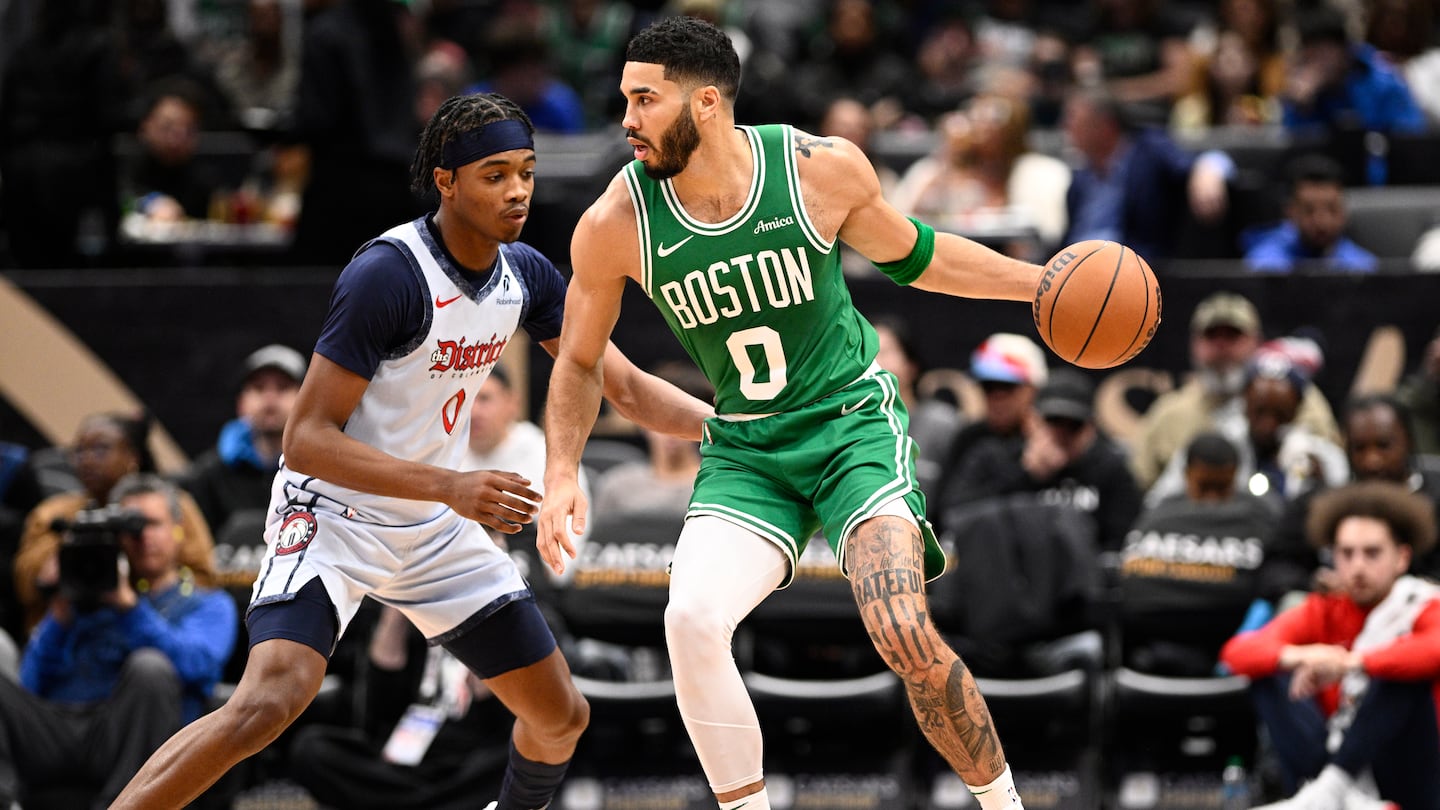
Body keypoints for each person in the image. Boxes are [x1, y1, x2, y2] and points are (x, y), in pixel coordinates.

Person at [109, 92, 711, 810]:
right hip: (334, 514)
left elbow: (630, 388)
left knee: (560, 716)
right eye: (494, 174)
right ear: (446, 181)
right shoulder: (388, 274)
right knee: (268, 704)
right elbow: (305, 441)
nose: (518, 189)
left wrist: (736, 431)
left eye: (526, 170)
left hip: (427, 525)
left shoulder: (527, 275)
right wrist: (450, 487)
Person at [537, 17, 1052, 810]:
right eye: (624, 100)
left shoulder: (816, 169)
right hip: (748, 448)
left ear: (705, 103)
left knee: (902, 628)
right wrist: (563, 470)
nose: (628, 120)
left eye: (645, 99)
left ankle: (1004, 804)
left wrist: (1037, 285)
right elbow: (577, 360)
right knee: (691, 618)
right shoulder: (618, 221)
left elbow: (920, 256)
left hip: (848, 424)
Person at [0, 474, 236, 808]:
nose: (142, 539)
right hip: (62, 731)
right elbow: (30, 684)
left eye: (151, 525)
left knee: (150, 668)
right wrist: (61, 614)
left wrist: (130, 608)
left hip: (132, 741)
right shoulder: (85, 598)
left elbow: (197, 667)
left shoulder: (208, 603)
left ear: (178, 530)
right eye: (131, 529)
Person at [1222, 481, 1440, 810]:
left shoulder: (1421, 601)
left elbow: (1432, 650)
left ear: (1402, 557)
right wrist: (1300, 655)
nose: (1358, 567)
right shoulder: (1325, 608)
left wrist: (1351, 663)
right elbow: (1237, 653)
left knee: (1398, 669)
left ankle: (1332, 787)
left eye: (1372, 553)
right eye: (1346, 553)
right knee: (1268, 672)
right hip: (1326, 761)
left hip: (1409, 775)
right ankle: (1323, 792)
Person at [15, 412, 217, 636]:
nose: (88, 459)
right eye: (79, 451)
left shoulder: (172, 505)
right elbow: (25, 588)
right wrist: (67, 552)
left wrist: (150, 587)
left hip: (157, 627)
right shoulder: (52, 514)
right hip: (73, 629)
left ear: (132, 457)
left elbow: (204, 578)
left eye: (101, 449)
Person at [1129, 291, 1340, 491]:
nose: (1222, 346)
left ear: (1257, 341)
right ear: (1194, 344)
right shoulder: (1169, 413)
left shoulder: (1299, 399)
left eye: (1233, 335)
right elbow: (1142, 486)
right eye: (1211, 335)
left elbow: (1332, 465)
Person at [1119, 430, 1280, 676]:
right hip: (1153, 649)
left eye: (1222, 488)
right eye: (1204, 487)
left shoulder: (1260, 515)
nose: (1212, 500)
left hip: (1233, 653)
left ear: (1235, 477)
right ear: (1186, 475)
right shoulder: (1160, 513)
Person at [943, 368, 1142, 551]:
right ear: (1031, 421)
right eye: (1053, 421)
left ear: (1090, 429)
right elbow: (954, 518)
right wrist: (1026, 475)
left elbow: (1124, 542)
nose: (1061, 434)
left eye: (1074, 425)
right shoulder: (994, 458)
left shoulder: (1110, 470)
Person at [181, 344, 307, 550]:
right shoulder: (208, 476)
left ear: (306, 399)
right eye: (259, 388)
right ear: (241, 403)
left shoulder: (321, 473)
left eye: (282, 387)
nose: (270, 398)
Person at [931, 332, 1048, 528]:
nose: (997, 397)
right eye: (988, 387)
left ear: (1033, 389)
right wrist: (1025, 473)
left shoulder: (1063, 435)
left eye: (1007, 386)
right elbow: (946, 512)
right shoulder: (969, 438)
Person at [1243, 154, 1379, 274]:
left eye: (1332, 209)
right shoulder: (1265, 266)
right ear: (1290, 211)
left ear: (1344, 211)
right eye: (1309, 210)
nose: (1321, 221)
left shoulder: (1363, 268)